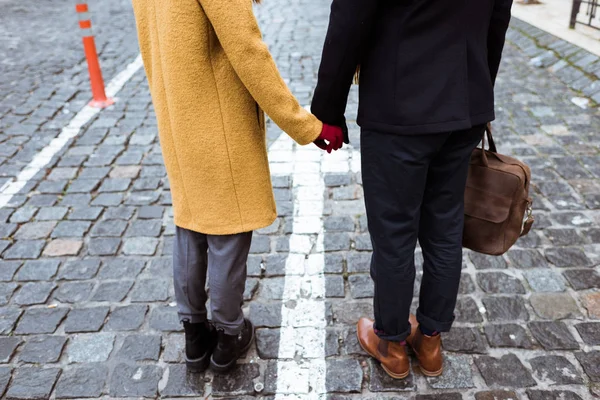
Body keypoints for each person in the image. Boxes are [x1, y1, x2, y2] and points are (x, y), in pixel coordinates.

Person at [131, 0, 344, 373]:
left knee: (191, 225)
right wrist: (305, 126)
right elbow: (248, 51)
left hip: (177, 118)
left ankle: (195, 334)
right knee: (228, 231)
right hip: (217, 122)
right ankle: (229, 335)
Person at [311, 0, 513, 379]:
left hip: (399, 107)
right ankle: (431, 341)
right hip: (464, 101)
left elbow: (350, 18)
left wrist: (328, 108)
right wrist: (475, 87)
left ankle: (392, 344)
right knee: (445, 227)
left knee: (394, 233)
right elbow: (497, 19)